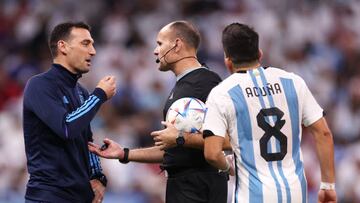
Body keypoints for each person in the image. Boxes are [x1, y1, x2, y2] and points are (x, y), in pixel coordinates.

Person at [89, 20, 230, 203]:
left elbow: (226, 140)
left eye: (160, 44)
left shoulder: (206, 83)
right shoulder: (183, 85)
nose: (155, 51)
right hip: (183, 185)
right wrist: (124, 153)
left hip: (199, 186)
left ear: (177, 44)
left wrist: (180, 137)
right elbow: (173, 151)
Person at [202, 22, 337, 203]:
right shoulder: (293, 81)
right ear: (260, 54)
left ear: (227, 60)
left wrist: (227, 166)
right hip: (295, 193)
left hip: (253, 196)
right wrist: (328, 186)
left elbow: (211, 153)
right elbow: (324, 133)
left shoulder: (222, 93)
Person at [23, 21, 116, 203]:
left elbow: (87, 141)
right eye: (85, 43)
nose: (93, 51)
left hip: (80, 197)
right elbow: (66, 128)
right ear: (63, 46)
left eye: (92, 44)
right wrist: (99, 95)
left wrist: (97, 175)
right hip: (48, 196)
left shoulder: (81, 92)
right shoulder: (39, 85)